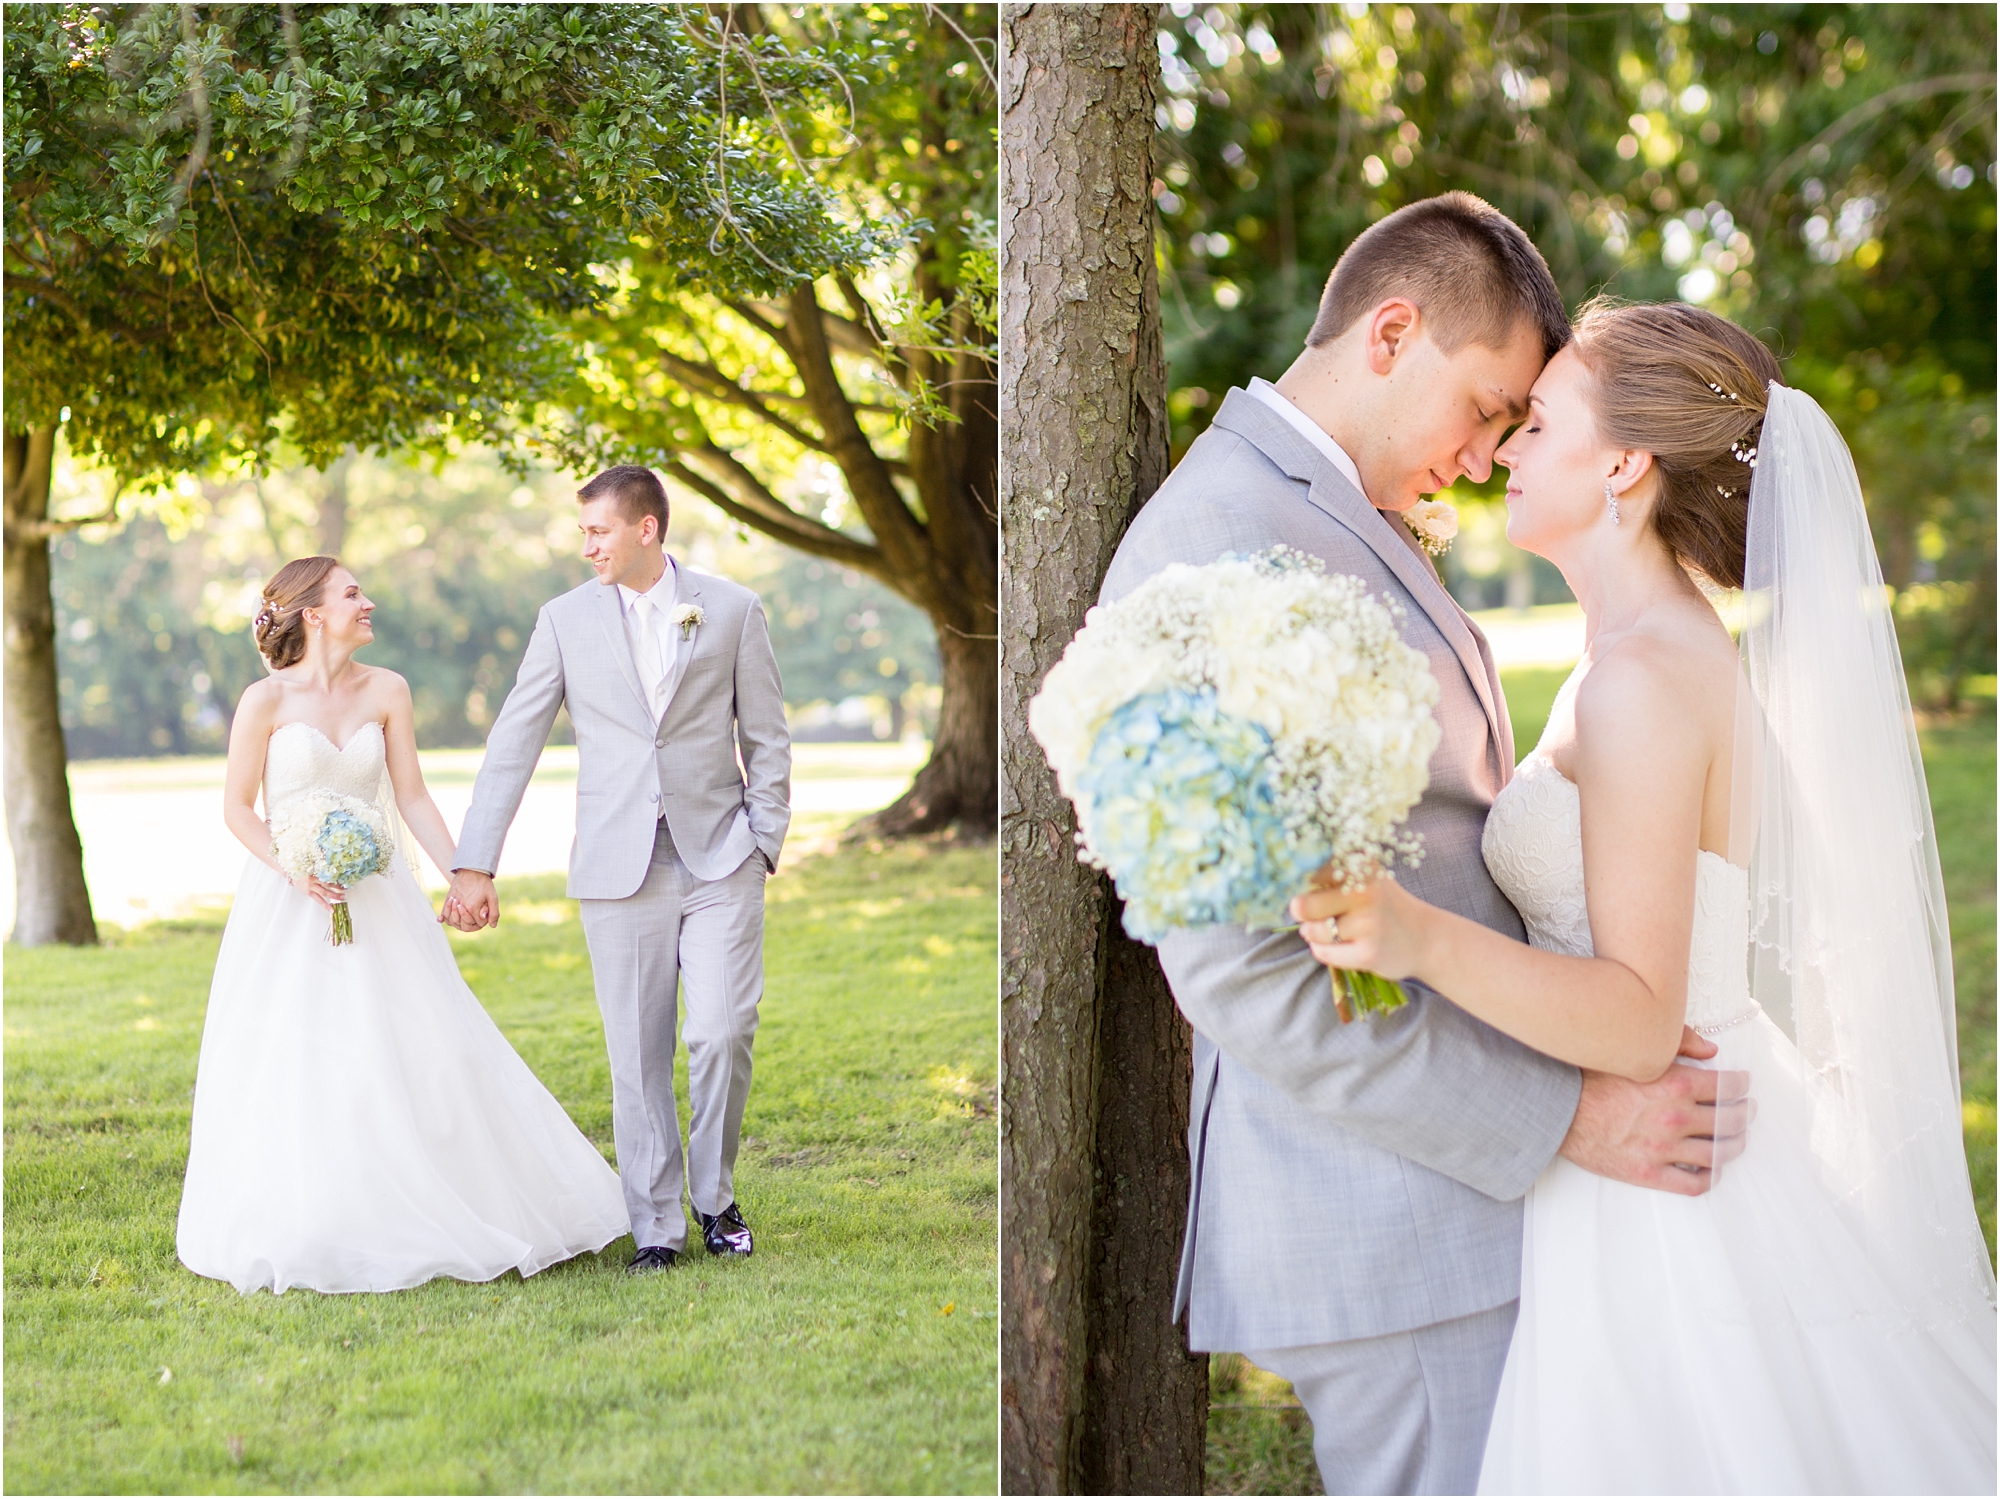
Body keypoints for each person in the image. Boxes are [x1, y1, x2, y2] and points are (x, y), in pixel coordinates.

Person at [1097, 193, 1751, 1495]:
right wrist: (1565, 1113)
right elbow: (1239, 970)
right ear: (1393, 331)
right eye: (1493, 405)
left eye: (1522, 423)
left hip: (1473, 1210)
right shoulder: (1220, 548)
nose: (1492, 450)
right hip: (1395, 1223)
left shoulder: (1329, 509)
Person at [1295, 298, 1997, 1492]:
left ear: (1621, 463)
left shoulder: (1641, 679)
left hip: (1678, 1177)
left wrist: (1409, 934)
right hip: (1680, 1135)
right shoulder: (1633, 651)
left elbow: (1632, 1014)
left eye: (1539, 421)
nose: (1505, 447)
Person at [177, 556, 629, 1295]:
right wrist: (292, 866)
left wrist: (465, 872)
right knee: (296, 1054)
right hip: (290, 901)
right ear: (313, 612)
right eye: (353, 593)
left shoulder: (388, 689)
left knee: (417, 1044)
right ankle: (316, 1213)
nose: (369, 602)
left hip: (378, 896)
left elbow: (412, 797)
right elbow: (236, 808)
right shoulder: (263, 701)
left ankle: (446, 1195)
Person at [446, 465, 790, 1275]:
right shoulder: (563, 620)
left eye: (599, 530)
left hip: (721, 855)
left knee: (721, 1031)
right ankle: (658, 1229)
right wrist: (475, 860)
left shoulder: (733, 608)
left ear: (647, 529)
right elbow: (514, 741)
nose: (586, 545)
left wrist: (764, 838)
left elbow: (769, 734)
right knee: (637, 1055)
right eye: (582, 532)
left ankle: (715, 1193)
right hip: (615, 863)